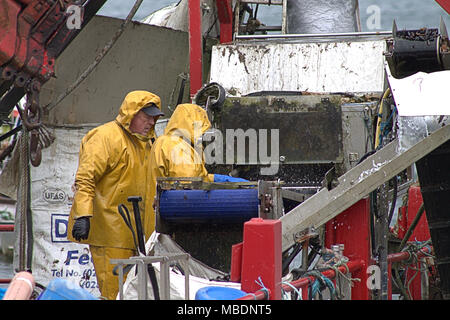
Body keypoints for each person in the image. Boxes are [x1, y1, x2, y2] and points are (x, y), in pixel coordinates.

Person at [67, 90, 164, 300]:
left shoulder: (149, 143)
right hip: (110, 234)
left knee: (135, 294)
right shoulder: (104, 137)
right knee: (114, 294)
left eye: (154, 117)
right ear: (131, 114)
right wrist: (83, 215)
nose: (151, 122)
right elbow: (85, 178)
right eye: (146, 116)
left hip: (140, 236)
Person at [147, 103, 246, 225]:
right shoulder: (176, 146)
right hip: (169, 225)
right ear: (192, 124)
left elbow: (188, 177)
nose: (203, 134)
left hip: (160, 220)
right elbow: (189, 189)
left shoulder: (171, 142)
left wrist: (214, 179)